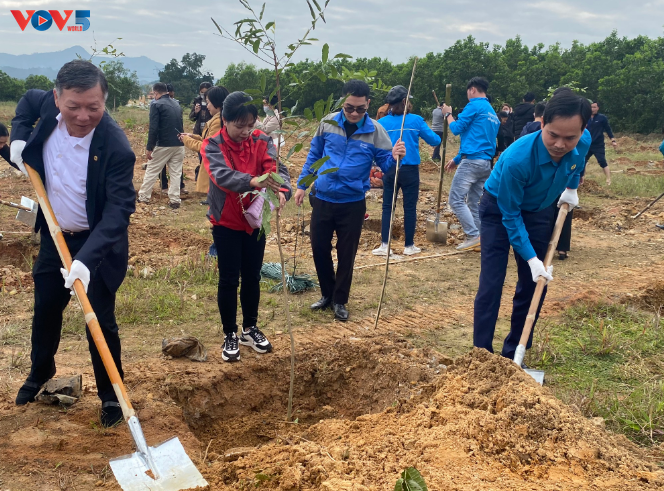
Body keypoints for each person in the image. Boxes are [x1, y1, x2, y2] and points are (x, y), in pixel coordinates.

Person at [8, 60, 136, 427]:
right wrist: (18, 136)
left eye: (93, 107)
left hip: (97, 246)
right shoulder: (45, 105)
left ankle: (111, 396)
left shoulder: (115, 146)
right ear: (57, 98)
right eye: (74, 106)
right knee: (46, 308)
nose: (83, 116)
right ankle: (39, 373)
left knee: (100, 319)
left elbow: (118, 211)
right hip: (55, 235)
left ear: (104, 101)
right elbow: (26, 104)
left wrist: (86, 260)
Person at [473, 91, 592, 361]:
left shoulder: (582, 141)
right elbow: (510, 215)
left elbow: (578, 161)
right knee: (492, 282)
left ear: (582, 130)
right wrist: (530, 258)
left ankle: (514, 354)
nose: (561, 144)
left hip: (539, 210)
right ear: (542, 124)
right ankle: (481, 357)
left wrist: (571, 188)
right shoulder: (518, 159)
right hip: (499, 210)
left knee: (535, 283)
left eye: (569, 137)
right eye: (553, 135)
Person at [294, 80, 405, 321]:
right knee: (319, 248)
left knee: (347, 254)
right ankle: (327, 294)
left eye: (360, 109)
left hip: (352, 203)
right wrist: (303, 185)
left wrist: (395, 157)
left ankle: (340, 300)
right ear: (342, 103)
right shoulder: (328, 124)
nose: (354, 113)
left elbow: (386, 164)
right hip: (322, 198)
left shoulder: (376, 131)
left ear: (368, 104)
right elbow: (315, 154)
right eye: (349, 108)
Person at [200, 91, 292, 362]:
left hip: (254, 220)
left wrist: (281, 187)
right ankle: (229, 332)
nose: (245, 131)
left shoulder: (261, 139)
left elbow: (276, 167)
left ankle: (249, 328)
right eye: (239, 125)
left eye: (250, 124)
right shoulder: (212, 145)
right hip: (226, 221)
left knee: (252, 275)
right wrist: (253, 181)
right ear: (225, 120)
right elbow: (221, 175)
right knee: (229, 278)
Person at [374, 85, 441, 256]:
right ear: (405, 101)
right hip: (410, 171)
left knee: (388, 206)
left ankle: (384, 244)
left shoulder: (381, 124)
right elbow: (434, 140)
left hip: (389, 169)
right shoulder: (416, 120)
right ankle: (409, 245)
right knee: (410, 207)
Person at [441, 77, 500, 251]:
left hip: (472, 163)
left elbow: (456, 128)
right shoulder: (491, 112)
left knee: (456, 200)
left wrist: (447, 114)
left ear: (472, 90)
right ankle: (482, 238)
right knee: (474, 202)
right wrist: (457, 159)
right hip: (486, 164)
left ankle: (473, 234)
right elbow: (476, 139)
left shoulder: (474, 105)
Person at [137, 82, 185, 209]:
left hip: (164, 144)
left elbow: (153, 128)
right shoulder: (176, 104)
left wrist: (149, 147)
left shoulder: (156, 105)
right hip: (179, 144)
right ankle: (175, 200)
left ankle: (143, 197)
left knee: (152, 170)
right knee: (176, 172)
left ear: (156, 93)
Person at [179, 85, 229, 193]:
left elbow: (208, 147)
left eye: (208, 102)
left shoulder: (218, 122)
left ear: (217, 103)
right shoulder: (218, 119)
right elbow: (208, 140)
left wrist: (186, 140)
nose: (207, 106)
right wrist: (193, 136)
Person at [160, 83, 186, 194]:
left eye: (171, 95)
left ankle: (180, 186)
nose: (170, 97)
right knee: (162, 164)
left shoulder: (177, 105)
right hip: (164, 138)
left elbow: (180, 122)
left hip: (175, 137)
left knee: (177, 165)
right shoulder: (158, 104)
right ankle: (164, 186)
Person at [586, 101, 617, 185]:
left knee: (602, 161)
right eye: (591, 107)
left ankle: (608, 179)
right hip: (586, 144)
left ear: (598, 108)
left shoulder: (602, 118)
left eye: (594, 107)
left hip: (598, 144)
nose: (592, 109)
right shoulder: (585, 117)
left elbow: (608, 129)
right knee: (582, 161)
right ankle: (581, 179)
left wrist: (613, 141)